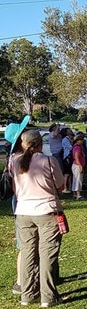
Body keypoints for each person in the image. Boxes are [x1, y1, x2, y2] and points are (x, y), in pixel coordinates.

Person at [11, 130, 65, 307]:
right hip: (47, 211)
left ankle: (27, 294)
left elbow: (14, 188)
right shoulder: (49, 160)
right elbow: (60, 185)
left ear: (23, 144)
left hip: (23, 212)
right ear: (41, 143)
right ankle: (48, 296)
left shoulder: (15, 162)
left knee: (28, 252)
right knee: (47, 253)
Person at [4, 115, 31, 296]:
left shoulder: (16, 157)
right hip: (22, 203)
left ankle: (27, 278)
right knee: (24, 244)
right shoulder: (18, 159)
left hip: (22, 202)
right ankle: (21, 282)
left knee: (27, 243)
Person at [71, 133, 86, 200]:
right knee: (78, 179)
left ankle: (74, 194)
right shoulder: (77, 147)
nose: (82, 141)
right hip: (77, 165)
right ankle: (78, 194)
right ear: (77, 140)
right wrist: (80, 166)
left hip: (76, 165)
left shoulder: (76, 147)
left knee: (75, 179)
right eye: (81, 140)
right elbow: (77, 157)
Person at [60, 128, 74, 193]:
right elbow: (70, 147)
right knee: (67, 173)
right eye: (68, 130)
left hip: (71, 157)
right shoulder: (65, 140)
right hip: (67, 157)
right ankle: (65, 187)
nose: (70, 130)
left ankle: (71, 186)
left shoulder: (70, 138)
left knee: (71, 173)